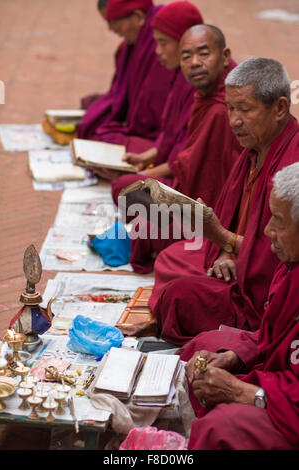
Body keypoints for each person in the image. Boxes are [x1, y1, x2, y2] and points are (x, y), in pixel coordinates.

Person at [145, 57, 299, 346]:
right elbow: (234, 214)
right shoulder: (255, 148)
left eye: (244, 109)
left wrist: (223, 238)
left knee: (178, 296)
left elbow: (282, 256)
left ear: (279, 108)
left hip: (263, 293)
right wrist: (224, 253)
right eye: (230, 108)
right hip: (237, 260)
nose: (234, 121)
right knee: (171, 258)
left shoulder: (293, 164)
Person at [180, 163, 299, 450]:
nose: (268, 230)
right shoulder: (291, 267)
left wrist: (245, 392)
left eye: (279, 221)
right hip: (281, 381)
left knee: (221, 428)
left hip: (290, 409)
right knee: (205, 348)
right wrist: (236, 355)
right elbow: (273, 334)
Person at [118, 24, 242, 276]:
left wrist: (225, 246)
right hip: (192, 197)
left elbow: (214, 183)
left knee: (147, 232)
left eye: (204, 54)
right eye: (187, 56)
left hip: (216, 215)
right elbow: (184, 150)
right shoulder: (204, 95)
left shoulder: (223, 109)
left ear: (225, 56)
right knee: (133, 198)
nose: (195, 63)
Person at [94, 1, 203, 185]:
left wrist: (140, 176)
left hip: (192, 182)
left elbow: (186, 159)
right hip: (168, 156)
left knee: (123, 186)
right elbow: (172, 132)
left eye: (162, 43)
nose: (157, 52)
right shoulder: (180, 74)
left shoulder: (202, 83)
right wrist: (146, 159)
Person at [77, 0, 175, 152]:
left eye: (114, 22)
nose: (111, 29)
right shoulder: (129, 46)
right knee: (94, 119)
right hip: (155, 138)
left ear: (138, 17)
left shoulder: (161, 47)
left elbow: (158, 110)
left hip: (165, 140)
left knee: (102, 136)